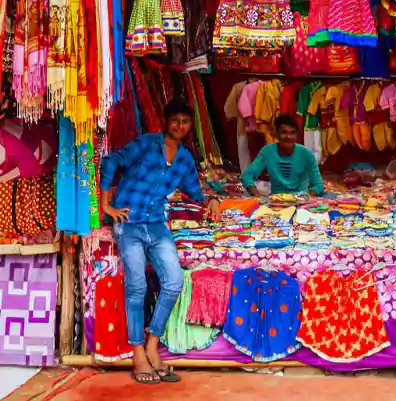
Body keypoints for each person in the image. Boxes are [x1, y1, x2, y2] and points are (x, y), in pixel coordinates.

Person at [99, 98, 220, 384]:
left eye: (185, 122)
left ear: (190, 126)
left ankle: (153, 343)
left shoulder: (184, 159)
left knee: (174, 282)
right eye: (175, 120)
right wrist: (107, 205)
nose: (180, 126)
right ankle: (137, 352)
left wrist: (211, 199)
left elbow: (193, 189)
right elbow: (111, 160)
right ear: (166, 121)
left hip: (156, 223)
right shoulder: (145, 144)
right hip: (128, 223)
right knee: (137, 285)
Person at [241, 114, 324, 196]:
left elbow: (318, 184)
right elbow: (247, 176)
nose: (288, 136)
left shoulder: (306, 153)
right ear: (276, 134)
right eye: (284, 132)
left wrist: (307, 198)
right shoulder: (267, 151)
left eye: (292, 133)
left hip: (301, 202)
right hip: (275, 202)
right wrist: (257, 195)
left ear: (296, 135)